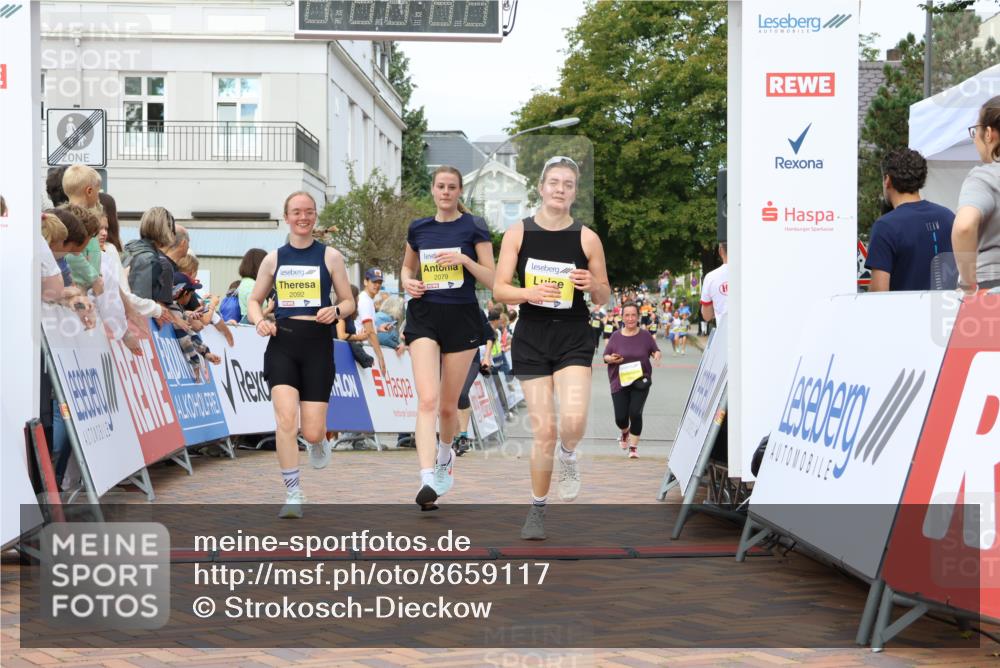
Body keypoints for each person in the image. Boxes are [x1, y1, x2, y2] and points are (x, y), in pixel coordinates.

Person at [494, 155, 611, 540]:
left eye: (568, 184)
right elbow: (499, 289)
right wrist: (529, 292)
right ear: (542, 187)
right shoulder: (518, 233)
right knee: (544, 429)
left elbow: (604, 295)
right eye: (554, 182)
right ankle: (537, 509)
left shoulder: (587, 238)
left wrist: (590, 284)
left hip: (574, 335)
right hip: (531, 335)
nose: (560, 189)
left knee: (573, 421)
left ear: (575, 192)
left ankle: (569, 454)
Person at [247, 191, 355, 519]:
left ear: (315, 216)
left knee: (311, 431)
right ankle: (293, 492)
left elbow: (349, 301)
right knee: (284, 420)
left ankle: (318, 441)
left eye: (308, 212)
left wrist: (335, 310)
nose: (303, 217)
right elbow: (254, 301)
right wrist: (260, 322)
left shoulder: (331, 257)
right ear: (287, 217)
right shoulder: (274, 259)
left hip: (318, 345)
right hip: (284, 342)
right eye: (296, 212)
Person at [400, 165, 495, 511]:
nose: (445, 192)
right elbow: (406, 269)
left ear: (459, 192)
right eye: (440, 186)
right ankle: (426, 476)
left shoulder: (474, 226)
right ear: (433, 190)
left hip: (462, 317)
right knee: (426, 400)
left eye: (451, 187)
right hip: (424, 315)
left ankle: (444, 457)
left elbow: (492, 277)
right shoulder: (419, 228)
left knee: (447, 405)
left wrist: (464, 260)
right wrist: (408, 282)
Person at [866, 149, 956, 291]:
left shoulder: (885, 226)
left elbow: (879, 294)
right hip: (947, 311)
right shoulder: (948, 217)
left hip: (905, 312)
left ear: (887, 180)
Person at [603, 302, 661, 459]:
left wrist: (656, 355)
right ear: (622, 317)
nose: (630, 318)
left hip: (640, 380)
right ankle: (624, 432)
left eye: (633, 315)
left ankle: (633, 447)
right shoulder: (615, 336)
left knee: (635, 412)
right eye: (627, 315)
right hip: (619, 381)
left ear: (638, 317)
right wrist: (612, 359)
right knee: (621, 418)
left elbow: (655, 350)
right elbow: (605, 356)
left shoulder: (645, 335)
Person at [954, 96, 1000, 293]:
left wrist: (968, 283)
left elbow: (964, 227)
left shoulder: (985, 177)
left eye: (976, 130)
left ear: (988, 133)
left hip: (991, 286)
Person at [356, 268, 388, 378]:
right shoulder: (365, 300)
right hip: (363, 348)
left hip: (363, 347)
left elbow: (367, 326)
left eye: (379, 282)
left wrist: (378, 328)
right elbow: (369, 331)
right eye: (374, 282)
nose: (377, 285)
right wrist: (381, 357)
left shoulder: (367, 299)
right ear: (365, 282)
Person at [238, 248, 272, 324]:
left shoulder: (245, 281)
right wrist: (269, 308)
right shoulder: (252, 285)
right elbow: (253, 317)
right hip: (252, 327)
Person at [700, 242, 729, 324]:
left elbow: (707, 316)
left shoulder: (711, 277)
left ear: (720, 251)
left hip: (724, 334)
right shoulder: (753, 273)